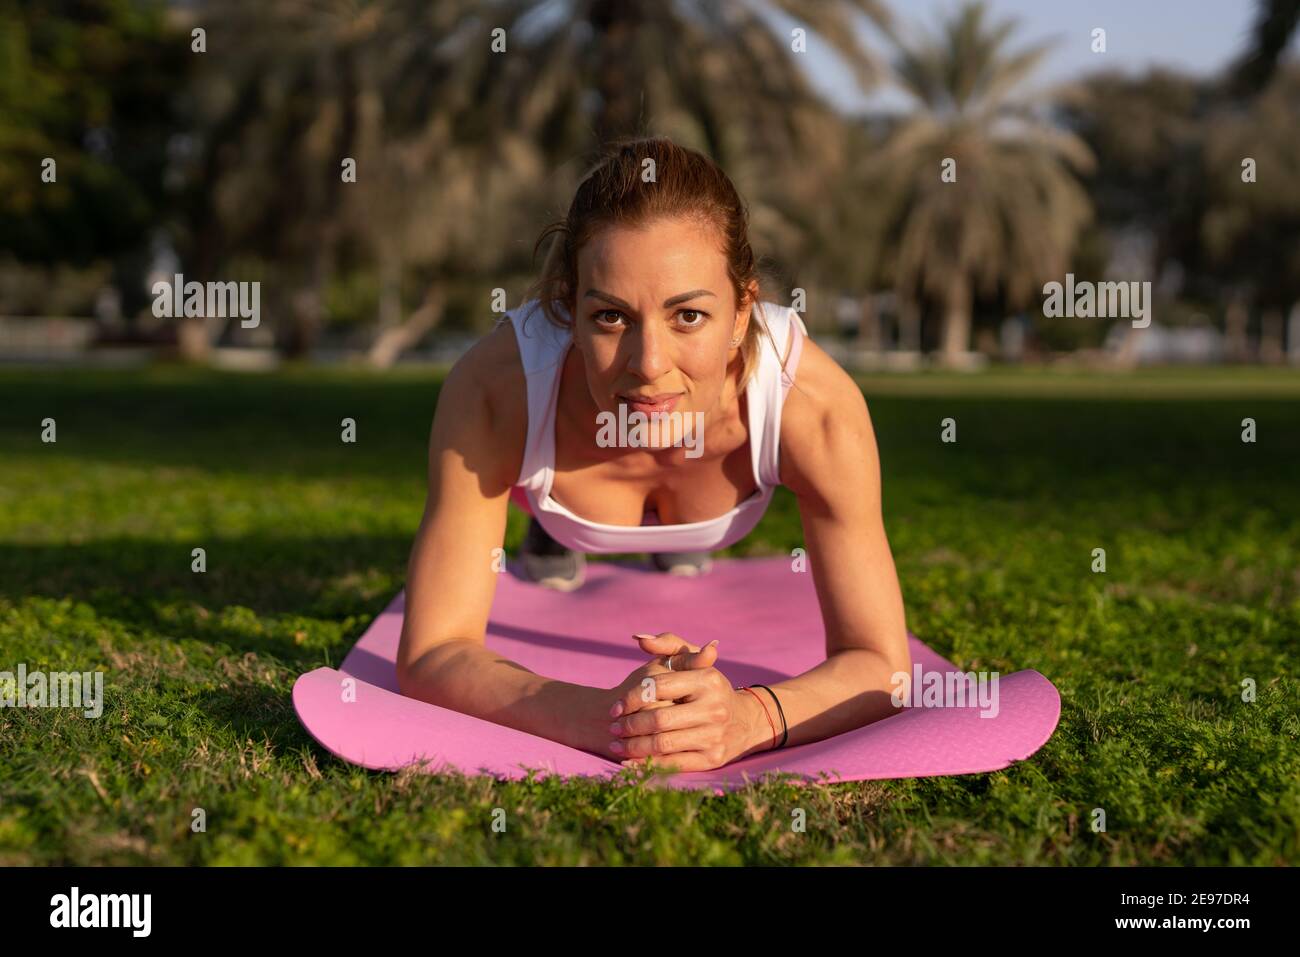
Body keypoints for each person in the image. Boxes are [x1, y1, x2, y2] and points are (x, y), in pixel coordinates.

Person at [396, 137, 910, 772]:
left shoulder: (813, 404)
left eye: (689, 316)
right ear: (567, 310)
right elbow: (430, 653)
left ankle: (671, 532)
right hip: (555, 480)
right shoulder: (494, 390)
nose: (649, 365)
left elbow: (884, 667)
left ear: (744, 309)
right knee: (554, 509)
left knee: (672, 528)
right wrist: (608, 720)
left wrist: (750, 718)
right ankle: (551, 528)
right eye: (610, 317)